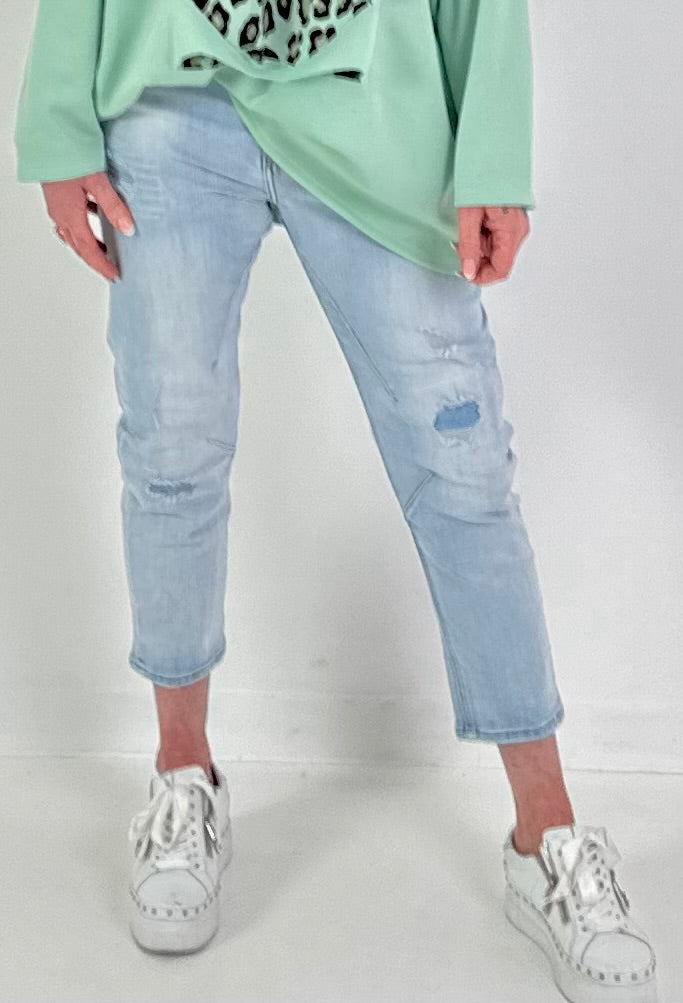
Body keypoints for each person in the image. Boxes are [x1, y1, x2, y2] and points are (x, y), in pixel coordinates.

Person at [14, 1, 658, 999]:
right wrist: (56, 121)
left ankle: (546, 834)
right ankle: (183, 778)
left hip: (378, 108)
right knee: (171, 446)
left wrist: (492, 148)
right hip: (174, 103)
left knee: (462, 475)